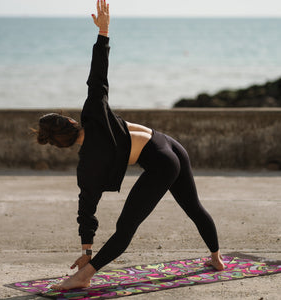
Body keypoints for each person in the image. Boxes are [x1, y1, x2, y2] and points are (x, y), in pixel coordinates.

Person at [35, 0, 225, 291]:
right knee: (194, 207)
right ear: (70, 122)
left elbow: (87, 207)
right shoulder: (94, 115)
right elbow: (97, 77)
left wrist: (88, 253)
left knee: (126, 228)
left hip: (161, 162)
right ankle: (216, 258)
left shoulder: (88, 164)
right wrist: (104, 32)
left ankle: (85, 276)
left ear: (60, 144)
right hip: (170, 145)